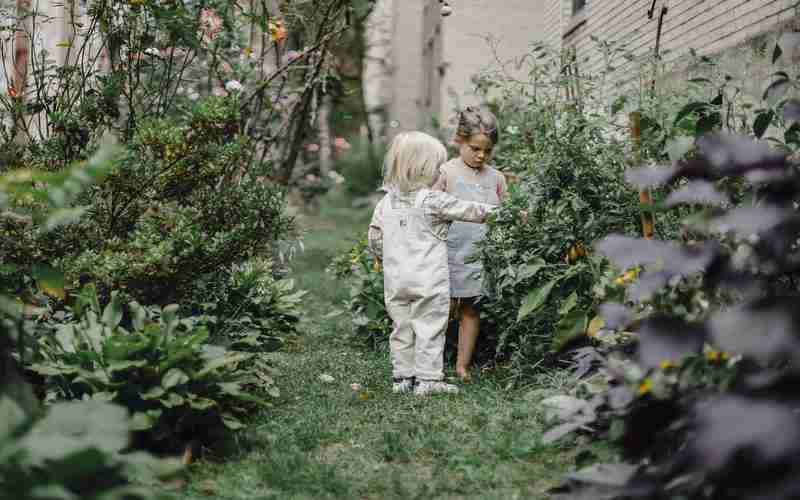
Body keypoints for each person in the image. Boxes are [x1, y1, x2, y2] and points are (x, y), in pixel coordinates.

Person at [368, 131, 499, 396]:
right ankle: (428, 380)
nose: (441, 171)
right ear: (425, 170)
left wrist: (386, 256)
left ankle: (402, 378)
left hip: (396, 281)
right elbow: (471, 210)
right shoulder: (432, 200)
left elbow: (374, 238)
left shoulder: (385, 203)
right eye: (437, 166)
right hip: (429, 280)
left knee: (401, 328)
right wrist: (505, 214)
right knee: (429, 327)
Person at [433, 106, 506, 382]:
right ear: (459, 141)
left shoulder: (495, 178)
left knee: (471, 309)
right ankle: (432, 362)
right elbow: (430, 209)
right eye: (475, 148)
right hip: (447, 253)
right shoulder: (445, 172)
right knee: (440, 307)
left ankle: (462, 365)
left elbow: (503, 212)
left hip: (479, 256)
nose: (481, 156)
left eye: (488, 151)